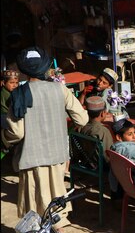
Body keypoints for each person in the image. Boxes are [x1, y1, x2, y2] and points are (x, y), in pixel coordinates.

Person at [1, 47, 88, 223]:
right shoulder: (60, 89)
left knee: (34, 210)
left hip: (31, 158)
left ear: (23, 69)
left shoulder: (19, 94)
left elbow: (17, 133)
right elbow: (82, 119)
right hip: (58, 156)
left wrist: (4, 137)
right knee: (56, 205)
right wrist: (65, 129)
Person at [77, 96, 113, 161]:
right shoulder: (103, 131)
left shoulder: (80, 128)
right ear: (102, 113)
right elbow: (108, 156)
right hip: (100, 168)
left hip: (85, 164)